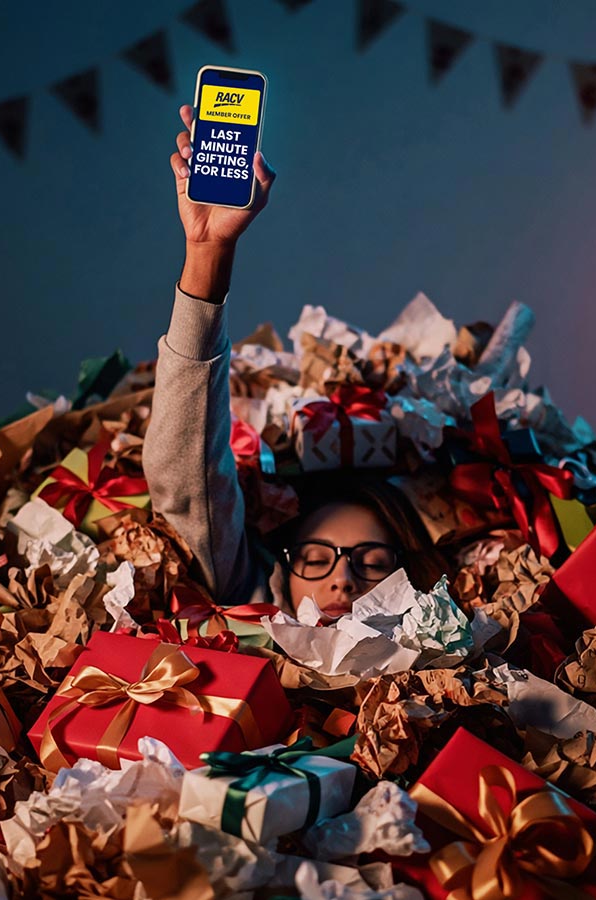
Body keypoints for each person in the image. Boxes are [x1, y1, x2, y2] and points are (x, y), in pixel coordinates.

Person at [143, 105, 443, 622]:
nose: (342, 580)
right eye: (314, 559)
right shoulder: (254, 603)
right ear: (279, 576)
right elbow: (191, 480)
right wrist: (208, 250)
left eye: (373, 564)